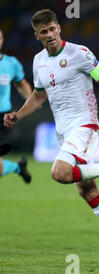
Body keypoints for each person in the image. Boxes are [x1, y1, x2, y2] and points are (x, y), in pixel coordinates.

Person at [3, 9, 99, 255]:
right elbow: (38, 96)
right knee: (86, 190)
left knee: (59, 172)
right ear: (36, 36)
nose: (49, 35)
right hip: (63, 133)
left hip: (84, 125)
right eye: (43, 32)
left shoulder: (80, 53)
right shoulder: (39, 61)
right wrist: (18, 114)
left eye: (52, 29)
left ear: (59, 29)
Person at [0, 28, 32, 183]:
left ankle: (18, 167)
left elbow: (21, 84)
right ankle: (19, 167)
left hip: (2, 119)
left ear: (2, 40)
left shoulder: (11, 64)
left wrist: (31, 101)